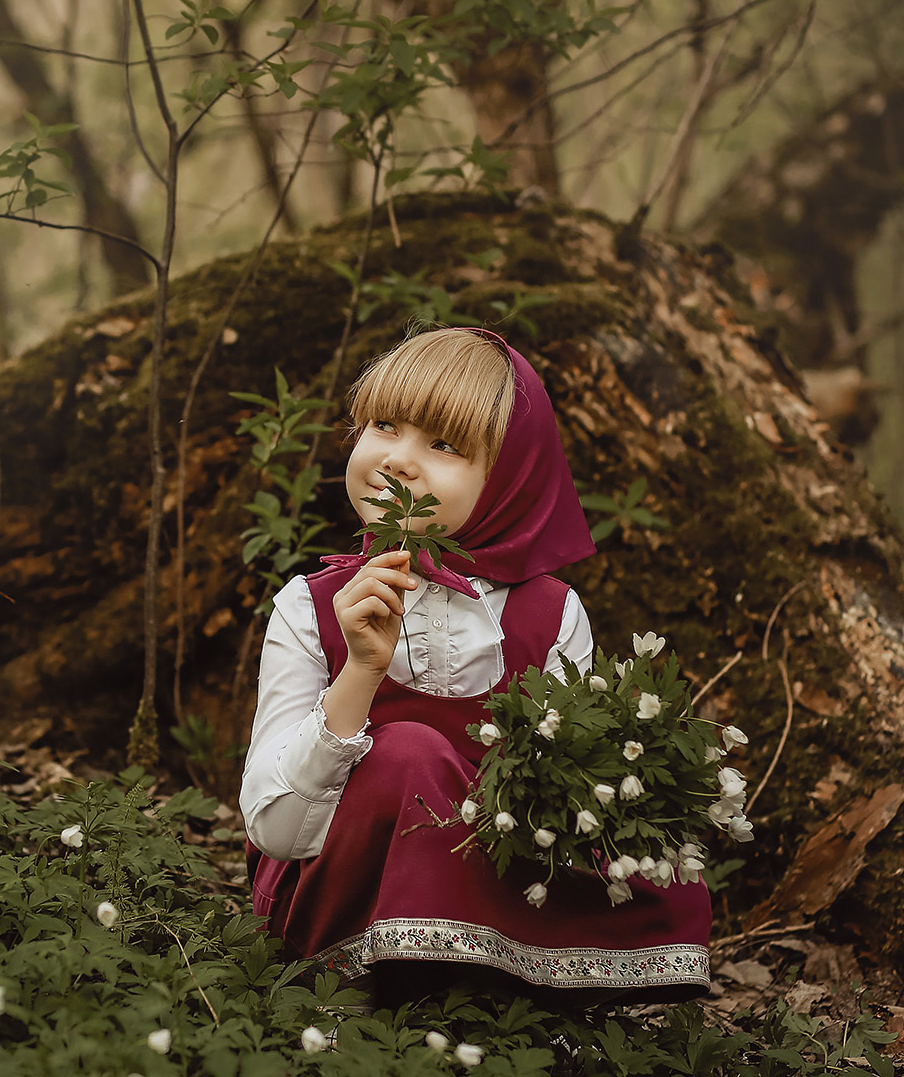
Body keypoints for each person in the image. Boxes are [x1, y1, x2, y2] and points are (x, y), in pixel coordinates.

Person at [240, 327, 711, 1008]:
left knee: (660, 840)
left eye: (445, 444)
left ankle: (505, 984)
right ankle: (371, 989)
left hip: (494, 878)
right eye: (383, 424)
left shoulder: (548, 614)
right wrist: (362, 672)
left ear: (509, 480)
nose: (398, 459)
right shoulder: (309, 607)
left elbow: (569, 801)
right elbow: (275, 830)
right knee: (409, 754)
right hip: (334, 894)